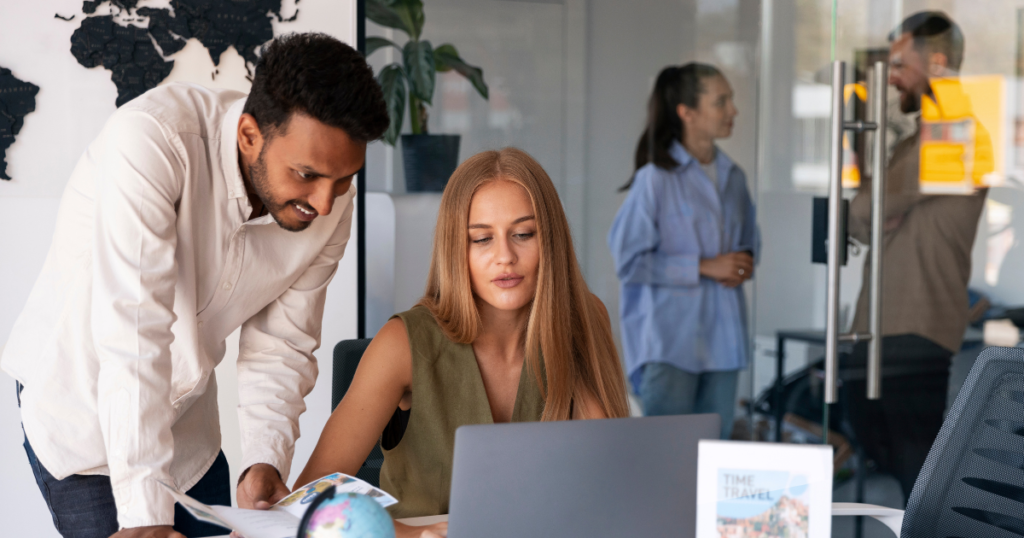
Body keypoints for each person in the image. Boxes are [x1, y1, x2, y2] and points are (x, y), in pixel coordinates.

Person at [1, 33, 389, 538]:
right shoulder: (152, 142)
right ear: (250, 134)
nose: (324, 203)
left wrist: (262, 461)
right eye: (306, 174)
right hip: (84, 415)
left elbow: (283, 342)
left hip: (188, 433)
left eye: (343, 180)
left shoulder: (330, 201)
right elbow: (133, 334)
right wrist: (144, 516)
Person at [296, 147, 630, 538]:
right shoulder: (402, 343)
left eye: (523, 234)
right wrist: (411, 535)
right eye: (481, 239)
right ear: (457, 249)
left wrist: (569, 327)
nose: (505, 256)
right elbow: (310, 500)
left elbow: (614, 486)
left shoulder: (585, 318)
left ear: (550, 242)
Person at [845, 11, 991, 500]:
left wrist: (880, 206)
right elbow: (868, 214)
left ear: (938, 62)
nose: (892, 77)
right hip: (884, 321)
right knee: (883, 446)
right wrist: (881, 207)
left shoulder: (956, 130)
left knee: (918, 471)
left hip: (916, 324)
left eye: (901, 64)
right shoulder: (915, 138)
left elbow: (866, 206)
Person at [608, 63, 757, 440]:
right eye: (721, 102)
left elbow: (749, 244)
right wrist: (705, 266)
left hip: (724, 340)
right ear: (687, 112)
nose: (732, 111)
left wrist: (743, 265)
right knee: (665, 459)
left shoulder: (734, 177)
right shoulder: (655, 180)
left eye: (731, 101)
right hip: (670, 343)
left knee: (714, 465)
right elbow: (628, 260)